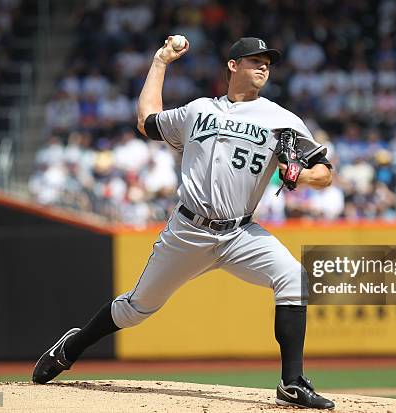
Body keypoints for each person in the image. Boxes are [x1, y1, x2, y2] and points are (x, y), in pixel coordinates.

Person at [32, 36, 335, 410]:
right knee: (135, 308)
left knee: (293, 277)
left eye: (267, 63)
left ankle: (292, 383)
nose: (262, 67)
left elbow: (324, 173)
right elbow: (147, 122)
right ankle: (73, 346)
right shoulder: (198, 110)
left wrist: (298, 175)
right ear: (232, 66)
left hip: (241, 232)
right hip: (189, 230)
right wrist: (160, 62)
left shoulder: (283, 121)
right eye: (254, 60)